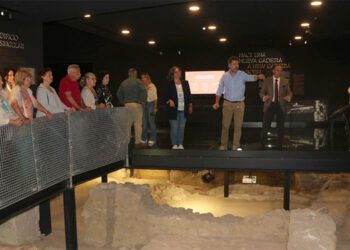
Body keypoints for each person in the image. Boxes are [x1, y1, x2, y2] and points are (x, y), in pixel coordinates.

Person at [213, 56, 265, 151]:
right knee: (225, 126)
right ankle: (223, 145)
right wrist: (216, 102)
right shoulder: (224, 76)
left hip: (239, 105)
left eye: (237, 64)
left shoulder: (242, 74)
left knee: (238, 127)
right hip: (227, 104)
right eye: (234, 64)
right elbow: (219, 89)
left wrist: (258, 76)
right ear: (229, 65)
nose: (236, 66)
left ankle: (236, 146)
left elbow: (251, 78)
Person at [259, 64, 293, 149]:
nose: (279, 71)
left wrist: (289, 97)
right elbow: (261, 92)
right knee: (265, 126)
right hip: (269, 105)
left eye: (280, 70)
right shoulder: (267, 80)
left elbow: (290, 92)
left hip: (281, 105)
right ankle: (262, 145)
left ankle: (280, 146)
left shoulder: (285, 81)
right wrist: (264, 97)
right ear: (273, 71)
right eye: (277, 70)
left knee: (281, 127)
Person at [117, 68, 147, 146]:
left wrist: (123, 102)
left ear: (128, 74)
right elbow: (144, 91)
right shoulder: (138, 81)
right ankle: (137, 142)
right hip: (136, 105)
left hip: (127, 105)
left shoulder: (124, 82)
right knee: (137, 123)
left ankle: (127, 142)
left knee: (127, 124)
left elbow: (118, 94)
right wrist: (142, 101)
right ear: (135, 73)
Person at [166, 66, 192, 149]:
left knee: (181, 128)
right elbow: (164, 96)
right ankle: (174, 144)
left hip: (183, 109)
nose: (177, 73)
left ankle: (180, 144)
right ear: (172, 74)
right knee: (174, 128)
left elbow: (189, 95)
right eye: (175, 72)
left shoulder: (185, 83)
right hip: (173, 110)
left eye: (179, 72)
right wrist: (169, 100)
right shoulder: (169, 84)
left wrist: (190, 105)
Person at [141, 72, 158, 146]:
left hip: (151, 104)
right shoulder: (142, 86)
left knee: (151, 122)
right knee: (144, 123)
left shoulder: (152, 86)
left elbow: (155, 98)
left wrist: (155, 108)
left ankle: (153, 139)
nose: (142, 79)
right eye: (141, 78)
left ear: (147, 78)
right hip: (143, 105)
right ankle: (144, 138)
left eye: (143, 78)